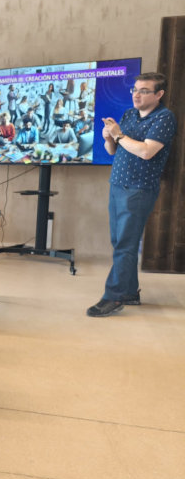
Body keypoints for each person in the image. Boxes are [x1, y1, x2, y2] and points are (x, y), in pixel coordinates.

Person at [87, 72, 177, 317]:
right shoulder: (129, 114)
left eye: (144, 91)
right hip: (117, 184)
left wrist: (118, 134)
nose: (136, 95)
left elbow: (147, 152)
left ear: (159, 94)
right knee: (119, 242)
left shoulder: (164, 117)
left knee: (126, 244)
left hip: (139, 189)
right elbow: (113, 151)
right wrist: (109, 138)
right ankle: (129, 292)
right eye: (134, 90)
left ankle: (114, 297)